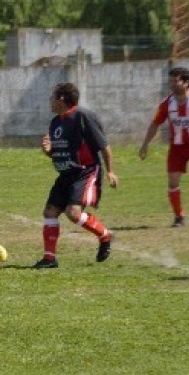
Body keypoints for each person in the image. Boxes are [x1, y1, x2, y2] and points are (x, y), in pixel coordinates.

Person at [36, 82, 117, 269]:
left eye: (52, 97)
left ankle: (105, 235)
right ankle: (49, 259)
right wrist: (48, 150)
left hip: (84, 171)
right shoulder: (56, 121)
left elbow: (104, 146)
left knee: (73, 213)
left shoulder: (83, 116)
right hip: (65, 174)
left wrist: (111, 171)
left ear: (62, 99)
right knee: (50, 212)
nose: (50, 101)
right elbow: (57, 152)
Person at [138, 66, 189, 227]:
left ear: (186, 83)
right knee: (173, 180)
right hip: (177, 147)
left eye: (176, 81)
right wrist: (145, 144)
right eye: (171, 81)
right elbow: (155, 124)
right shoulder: (167, 104)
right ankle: (179, 217)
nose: (172, 84)